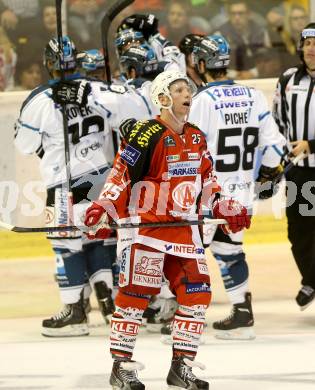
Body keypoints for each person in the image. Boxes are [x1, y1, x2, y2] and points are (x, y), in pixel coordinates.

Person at [84, 69, 251, 389]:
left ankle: (181, 367)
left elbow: (208, 181)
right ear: (162, 98)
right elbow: (121, 175)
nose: (187, 93)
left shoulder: (197, 136)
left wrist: (222, 205)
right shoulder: (146, 134)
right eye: (178, 90)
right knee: (134, 296)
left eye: (187, 89)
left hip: (183, 231)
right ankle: (121, 367)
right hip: (145, 230)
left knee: (198, 293)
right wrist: (104, 208)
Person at [14, 36, 153, 337]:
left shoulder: (39, 100)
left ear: (48, 64)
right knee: (96, 238)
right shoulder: (99, 90)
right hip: (101, 177)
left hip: (61, 183)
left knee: (66, 246)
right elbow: (142, 108)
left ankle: (75, 312)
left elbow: (24, 144)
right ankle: (111, 301)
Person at [189, 34, 286, 340]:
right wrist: (266, 176)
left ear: (202, 64)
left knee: (188, 251)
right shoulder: (253, 95)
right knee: (229, 251)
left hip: (208, 193)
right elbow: (275, 145)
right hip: (241, 192)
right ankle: (242, 312)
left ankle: (187, 319)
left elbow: (190, 148)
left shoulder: (202, 100)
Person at [273, 23, 315, 311]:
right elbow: (276, 121)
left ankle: (312, 282)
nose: (312, 49)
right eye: (308, 43)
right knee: (298, 230)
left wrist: (312, 145)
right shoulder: (288, 79)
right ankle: (311, 279)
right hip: (299, 173)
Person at [213, 0, 270, 80]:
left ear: (248, 14)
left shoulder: (261, 32)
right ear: (229, 15)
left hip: (259, 78)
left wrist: (253, 73)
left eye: (241, 13)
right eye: (233, 14)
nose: (237, 17)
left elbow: (270, 59)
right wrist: (235, 75)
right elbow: (215, 64)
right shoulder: (220, 35)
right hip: (231, 80)